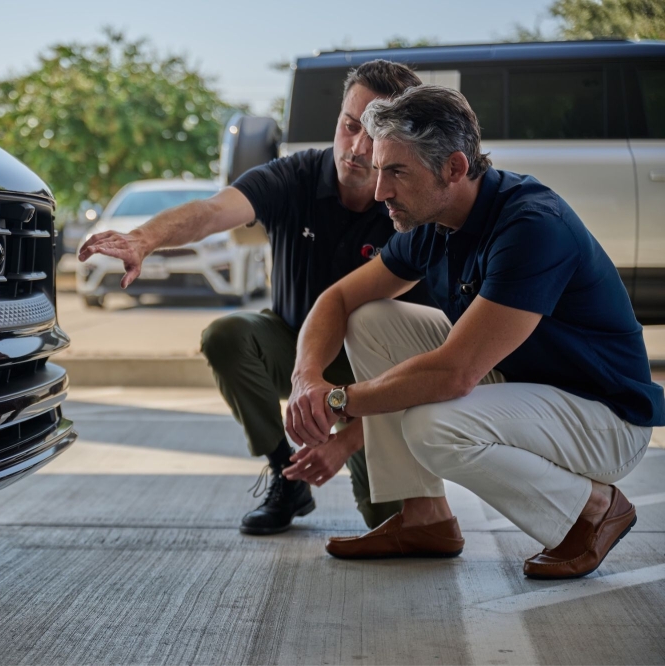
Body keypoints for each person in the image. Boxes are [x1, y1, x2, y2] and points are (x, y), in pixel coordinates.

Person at [284, 84, 664, 578]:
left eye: (396, 171)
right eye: (379, 170)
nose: (380, 192)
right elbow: (337, 299)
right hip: (525, 387)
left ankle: (592, 510)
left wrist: (337, 401)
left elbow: (455, 374)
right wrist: (306, 379)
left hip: (602, 418)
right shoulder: (430, 219)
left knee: (432, 428)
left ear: (455, 168)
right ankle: (425, 520)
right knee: (370, 318)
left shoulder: (531, 226)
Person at [78, 60, 428, 535]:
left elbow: (426, 369)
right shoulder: (295, 176)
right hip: (293, 348)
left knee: (395, 529)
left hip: (374, 378)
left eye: (375, 133)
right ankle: (288, 478)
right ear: (338, 119)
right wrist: (143, 239)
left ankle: (358, 470)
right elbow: (210, 210)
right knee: (227, 334)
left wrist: (342, 444)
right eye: (350, 126)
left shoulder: (410, 208)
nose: (358, 148)